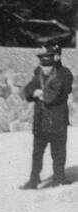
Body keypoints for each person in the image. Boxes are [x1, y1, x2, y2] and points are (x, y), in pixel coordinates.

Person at [19, 47, 73, 189]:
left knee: (58, 152)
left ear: (58, 57)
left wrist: (39, 93)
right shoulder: (38, 74)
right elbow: (26, 91)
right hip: (41, 121)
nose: (46, 67)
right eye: (43, 65)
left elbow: (53, 97)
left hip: (57, 120)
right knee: (37, 153)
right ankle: (34, 180)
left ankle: (59, 178)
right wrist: (35, 93)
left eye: (55, 56)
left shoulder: (64, 74)